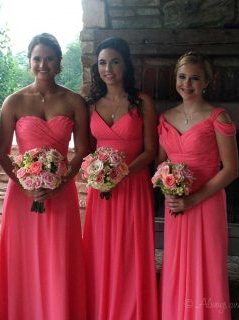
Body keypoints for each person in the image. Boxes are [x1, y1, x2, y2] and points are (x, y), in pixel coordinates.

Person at [0, 33, 88, 320]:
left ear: (59, 63)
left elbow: (83, 149)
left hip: (61, 193)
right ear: (29, 62)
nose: (43, 64)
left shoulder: (74, 101)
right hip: (22, 196)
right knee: (22, 260)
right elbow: (1, 153)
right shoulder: (13, 101)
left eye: (49, 58)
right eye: (37, 58)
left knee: (59, 259)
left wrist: (61, 182)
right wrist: (24, 184)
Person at [157, 51, 239, 319]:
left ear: (207, 82)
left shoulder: (218, 117)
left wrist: (193, 199)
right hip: (176, 204)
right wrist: (166, 183)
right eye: (182, 77)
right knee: (177, 266)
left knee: (206, 266)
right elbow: (161, 162)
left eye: (194, 78)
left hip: (206, 203)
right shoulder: (165, 118)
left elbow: (231, 170)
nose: (187, 84)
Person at [82, 37, 159, 320]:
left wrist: (121, 173)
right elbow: (88, 150)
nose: (108, 68)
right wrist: (98, 172)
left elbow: (151, 150)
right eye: (102, 62)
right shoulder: (90, 105)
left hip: (133, 185)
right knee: (100, 253)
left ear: (126, 64)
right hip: (100, 189)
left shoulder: (142, 102)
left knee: (130, 253)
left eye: (114, 61)